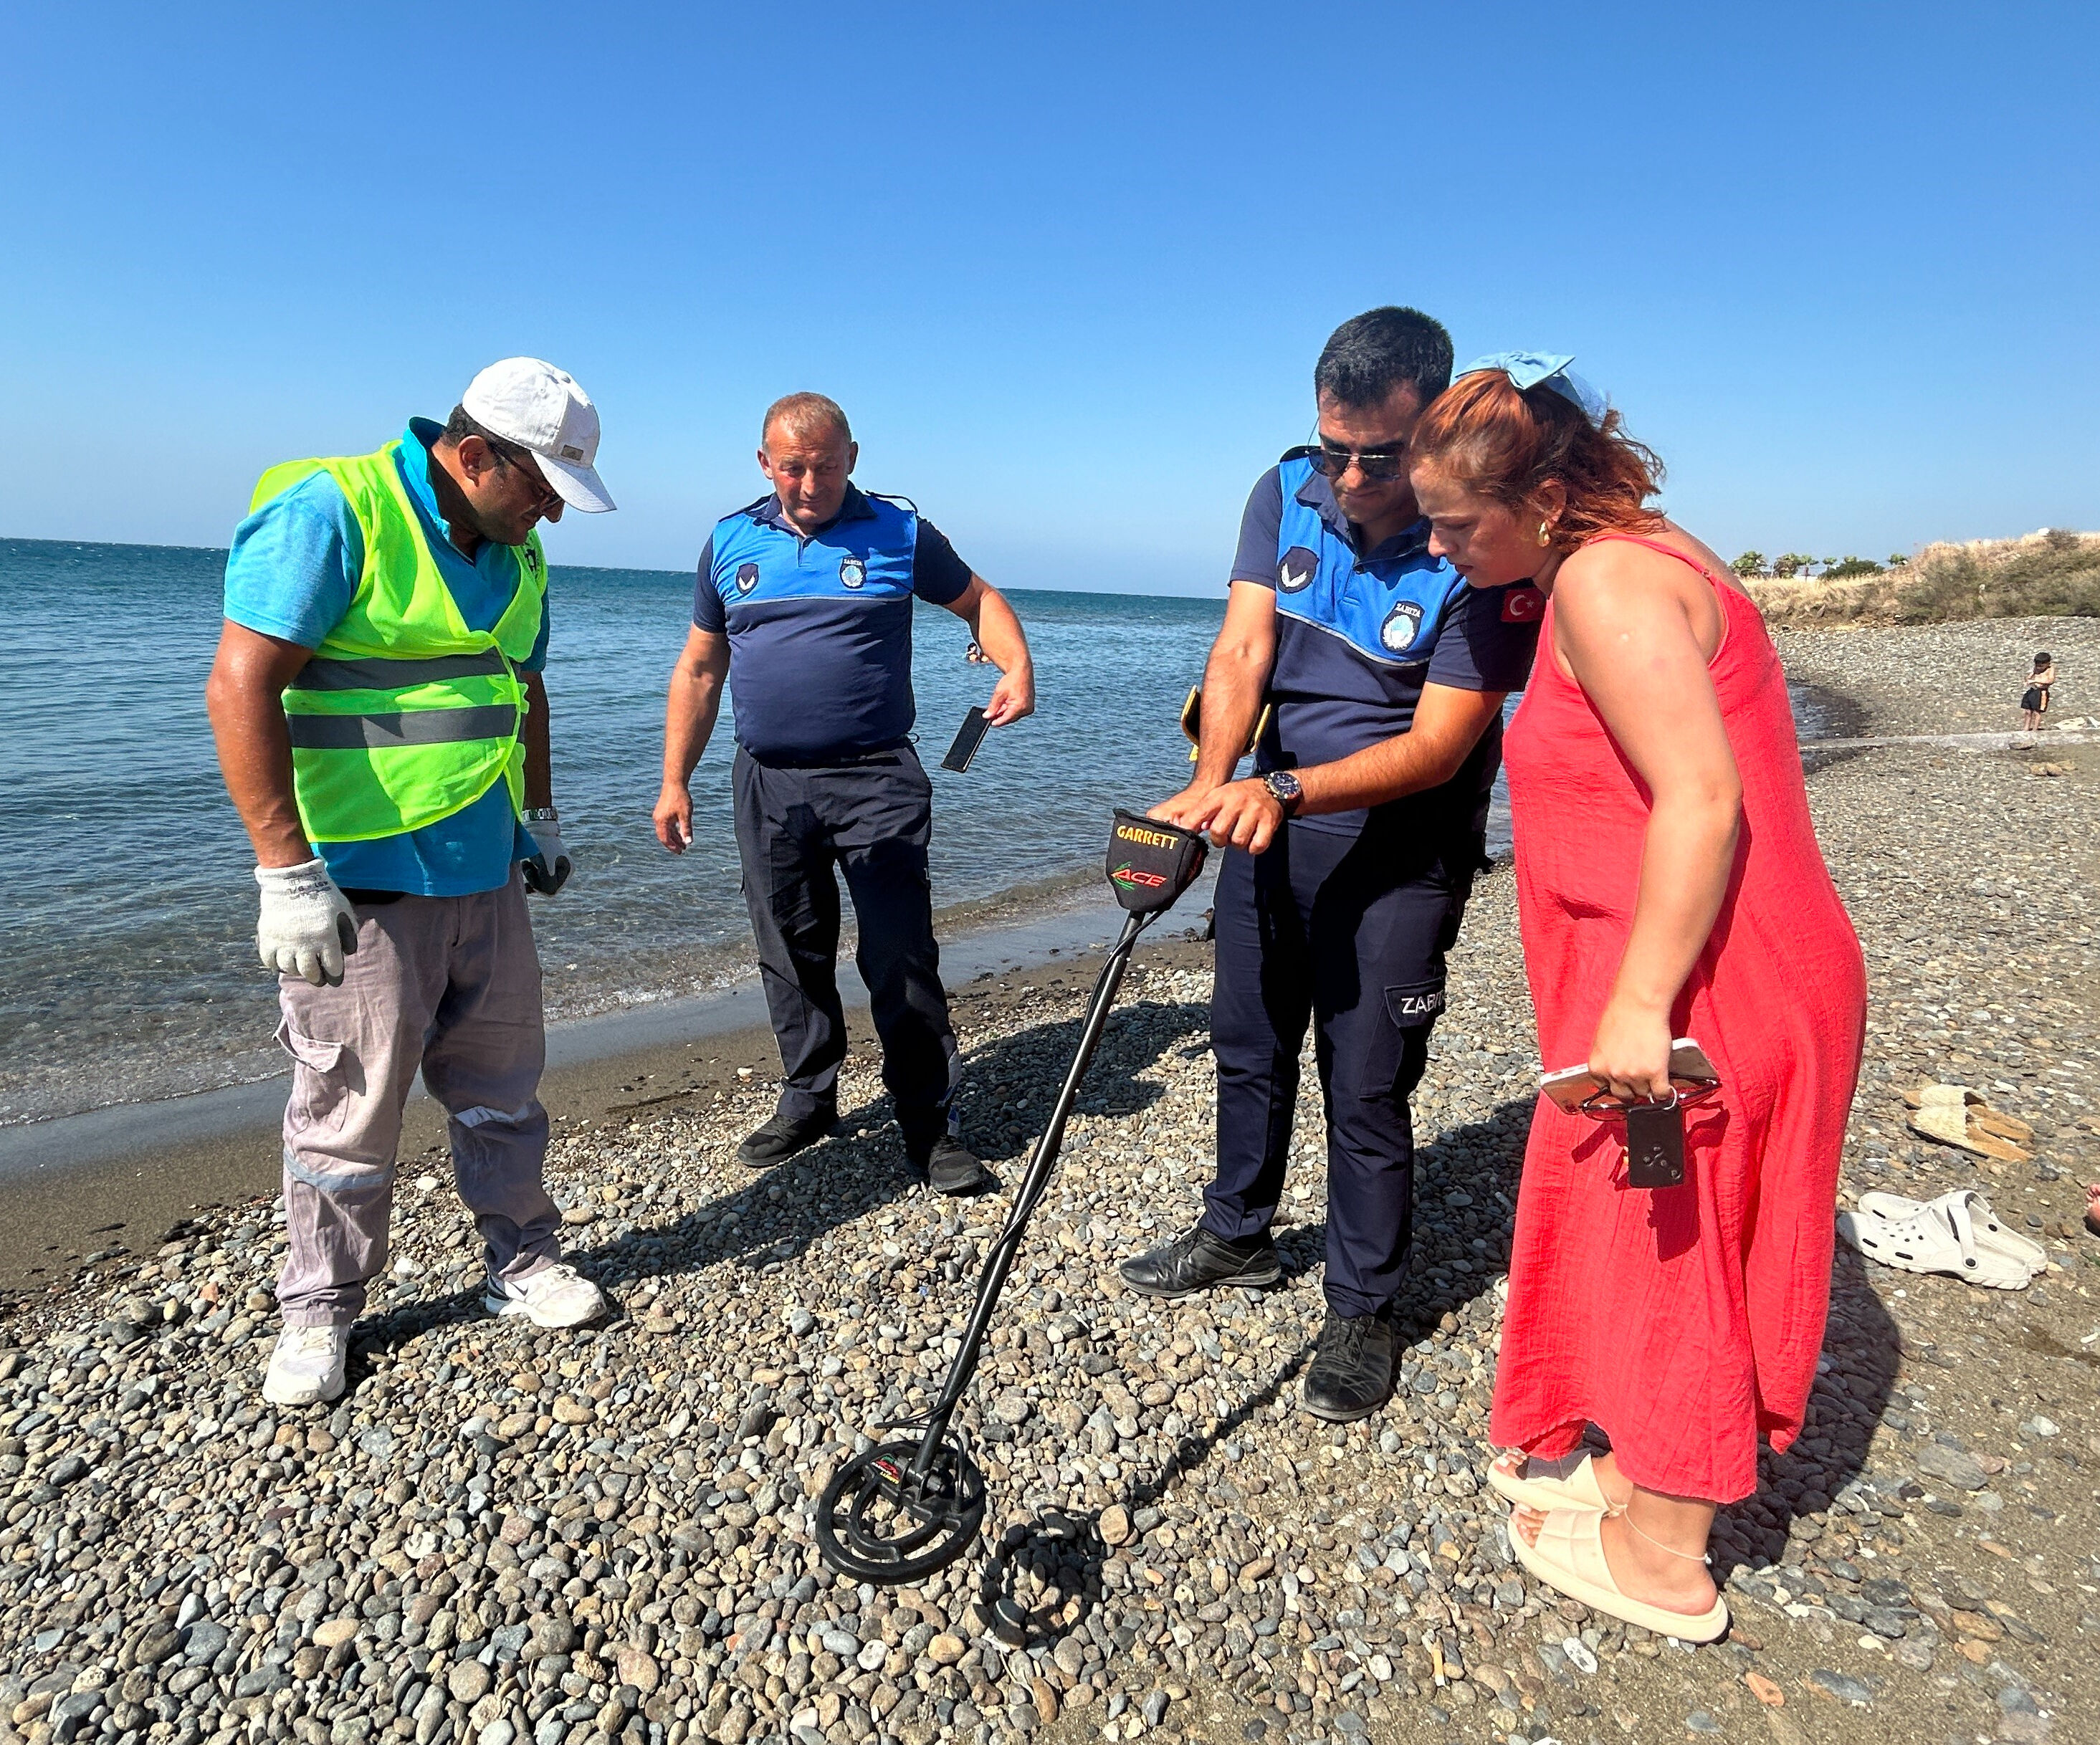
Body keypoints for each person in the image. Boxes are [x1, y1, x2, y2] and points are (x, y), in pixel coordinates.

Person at [1407, 354, 1866, 1643]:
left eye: (1453, 522)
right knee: (1658, 1223)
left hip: (1711, 991)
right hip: (1726, 969)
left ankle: (1664, 1553)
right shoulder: (1635, 552)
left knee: (1672, 1234)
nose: (1438, 551)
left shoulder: (1606, 583)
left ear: (1542, 496)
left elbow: (1700, 799)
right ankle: (1631, 1475)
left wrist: (1637, 1001)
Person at [1125, 308, 1544, 1424]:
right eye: (1332, 448)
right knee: (1245, 1041)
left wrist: (1283, 788)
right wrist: (1220, 783)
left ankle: (1362, 1304)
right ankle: (1234, 1232)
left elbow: (1437, 746)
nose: (1351, 476)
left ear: (1435, 429)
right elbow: (1242, 647)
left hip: (1400, 852)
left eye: (1380, 453)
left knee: (1364, 1084)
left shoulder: (1476, 547)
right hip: (1271, 820)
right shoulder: (1283, 487)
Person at [205, 358, 618, 1409]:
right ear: (471, 453)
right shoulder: (334, 512)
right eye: (539, 489)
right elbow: (240, 682)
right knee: (346, 1106)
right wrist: (285, 872)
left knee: (501, 1089)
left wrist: (538, 814)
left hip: (484, 872)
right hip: (361, 881)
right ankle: (320, 1309)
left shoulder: (517, 553)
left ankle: (519, 1261)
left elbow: (522, 690)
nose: (549, 518)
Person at [654, 392, 1034, 1194]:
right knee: (790, 947)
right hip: (766, 780)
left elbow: (980, 601)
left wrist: (1015, 662)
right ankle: (809, 1095)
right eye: (790, 466)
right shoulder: (728, 541)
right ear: (764, 463)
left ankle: (930, 1122)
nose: (807, 481)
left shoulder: (898, 531)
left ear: (851, 456)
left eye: (824, 465)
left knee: (898, 951)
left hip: (875, 776)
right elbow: (698, 668)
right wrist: (672, 781)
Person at [2022, 651, 2055, 730]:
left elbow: (2051, 681)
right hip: (2033, 690)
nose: (2039, 668)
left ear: (2048, 664)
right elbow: (2029, 677)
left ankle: (2035, 729)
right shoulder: (2036, 668)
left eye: (2041, 666)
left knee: (2037, 712)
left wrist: (2036, 681)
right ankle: (2025, 729)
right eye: (2037, 666)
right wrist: (2028, 680)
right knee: (2028, 711)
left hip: (2042, 692)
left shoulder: (2050, 670)